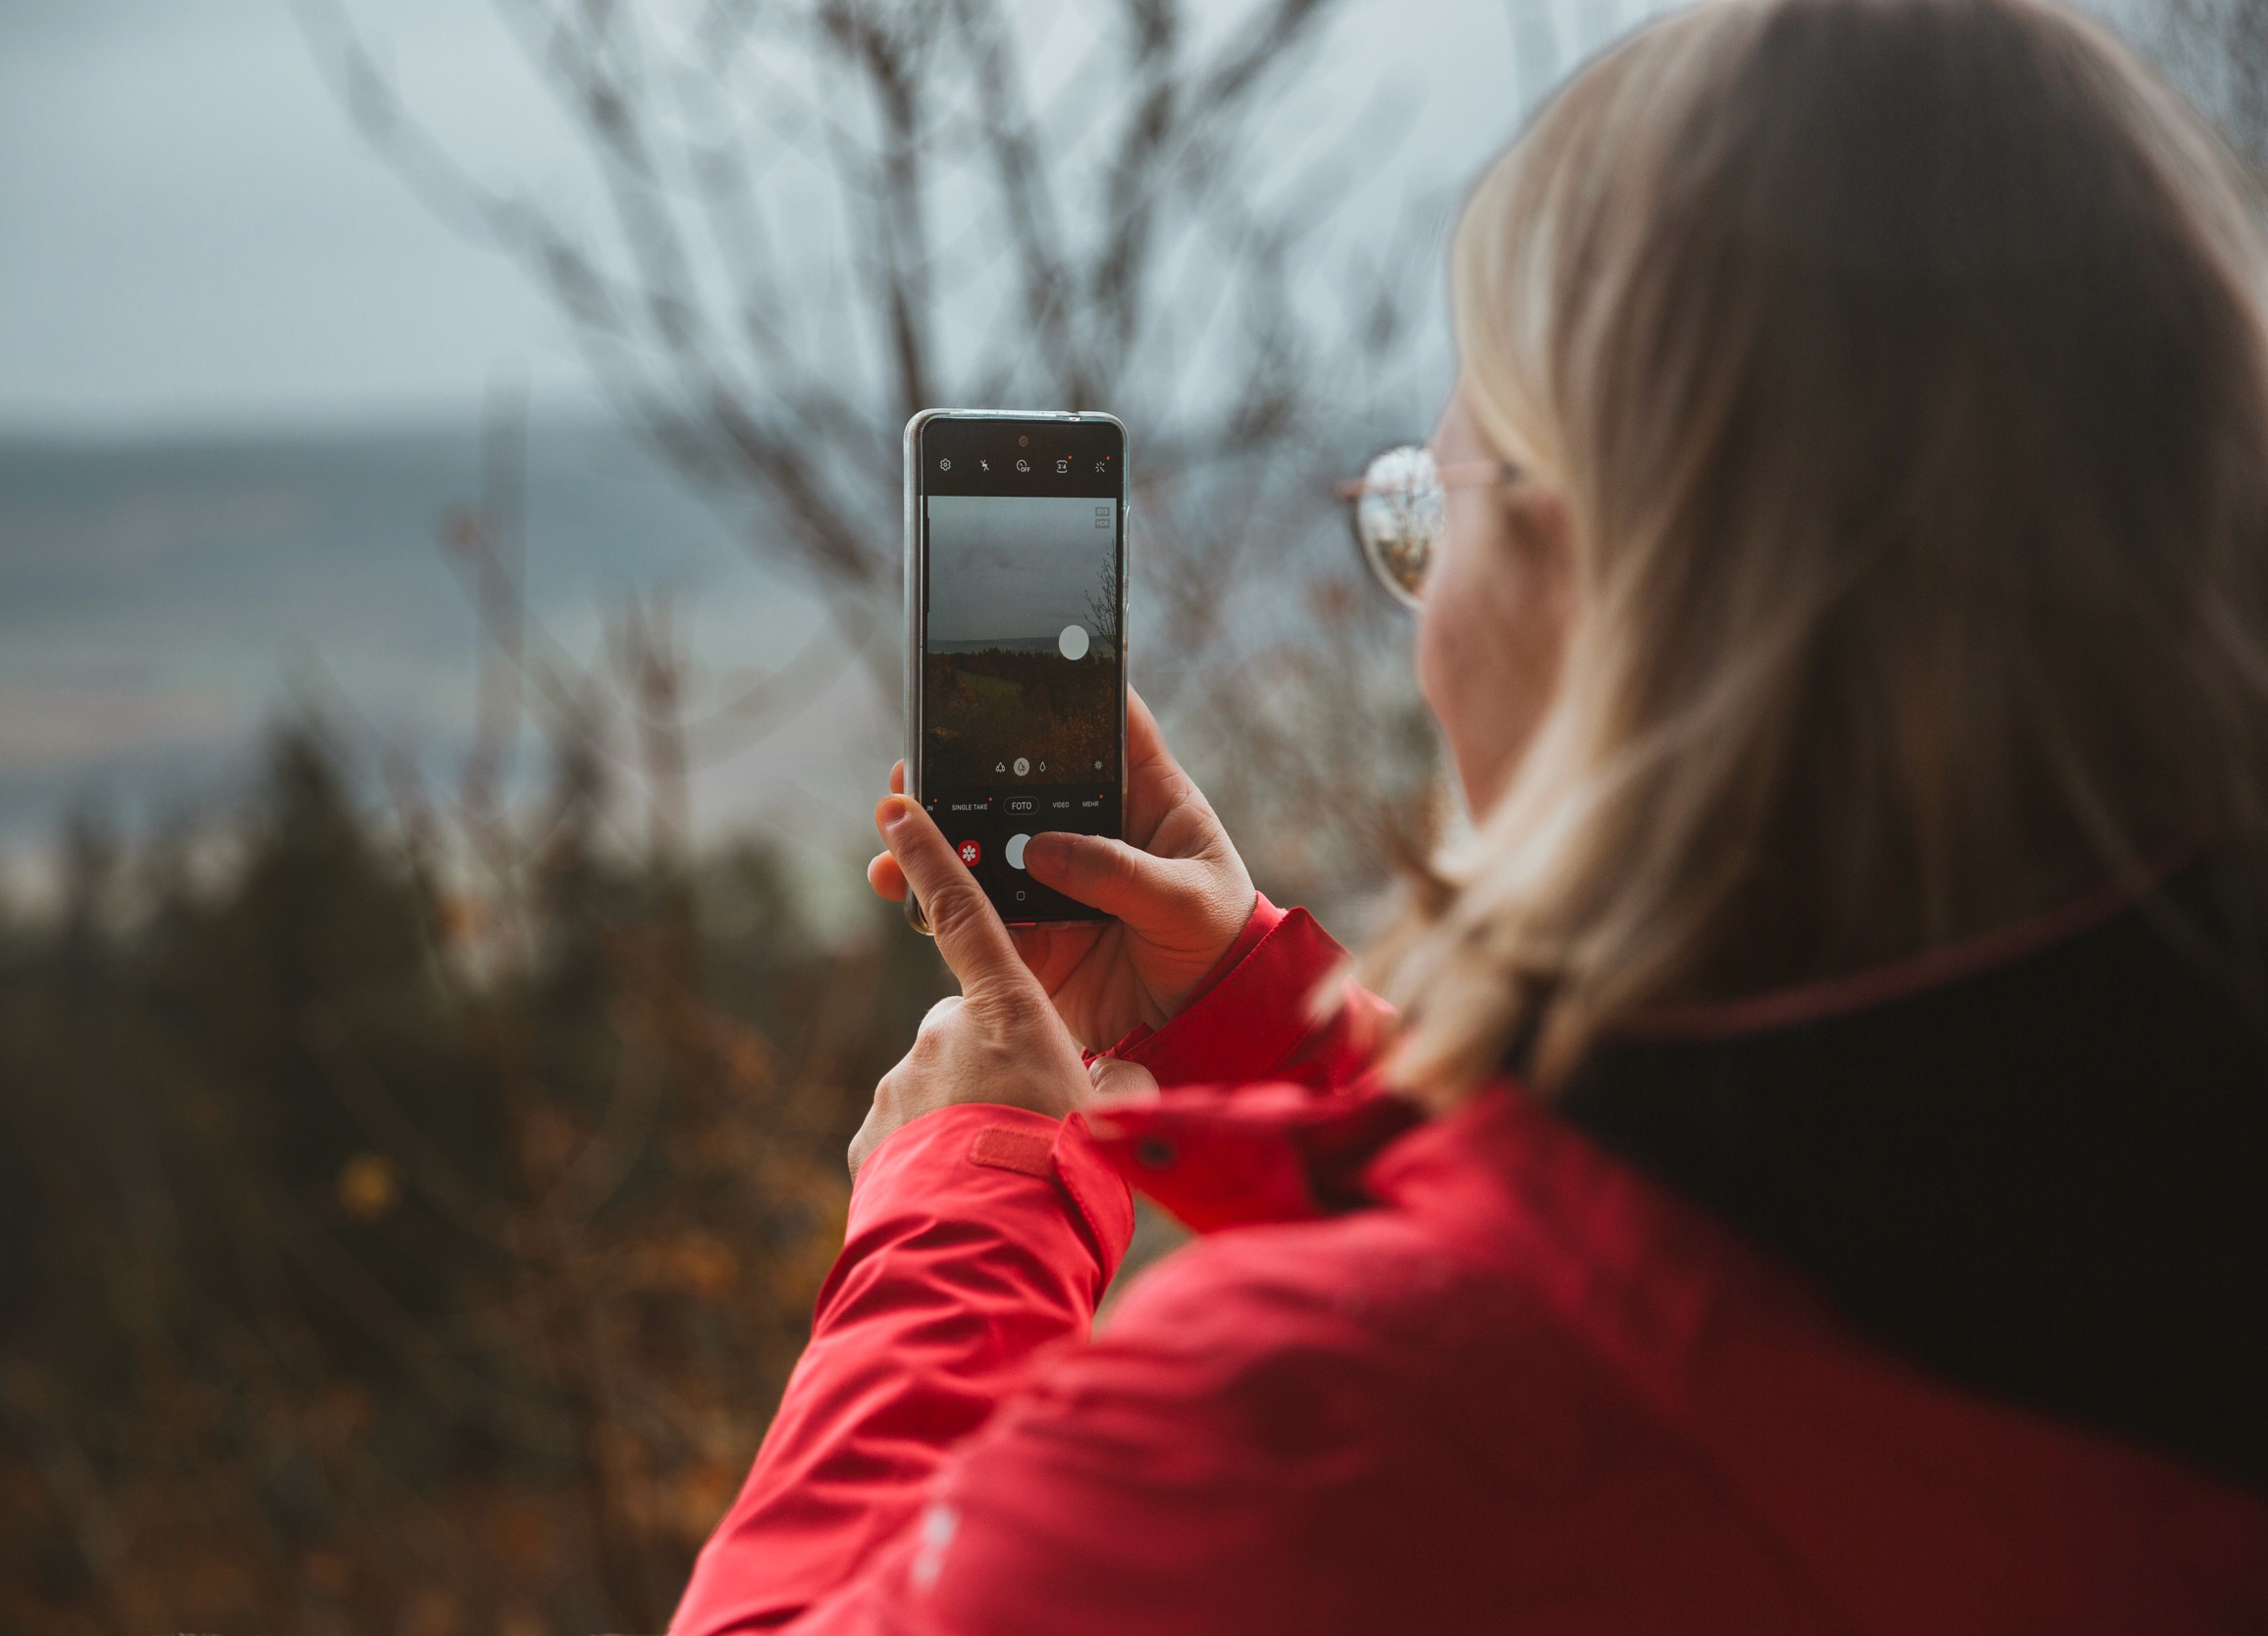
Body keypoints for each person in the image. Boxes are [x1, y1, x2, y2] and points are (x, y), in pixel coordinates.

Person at [674, 0, 2268, 1628]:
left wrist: (971, 1206)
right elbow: (1743, 1263)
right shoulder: (2159, 1236)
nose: (1422, 626)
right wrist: (1276, 1031)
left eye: (1428, 520)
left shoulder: (1321, 1442)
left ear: (1608, 593)